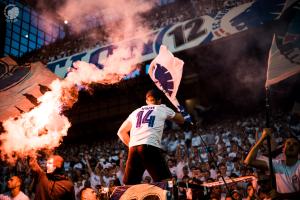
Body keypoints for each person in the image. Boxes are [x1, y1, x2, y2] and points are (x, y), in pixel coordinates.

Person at [117, 89, 185, 184]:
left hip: (134, 148)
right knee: (167, 182)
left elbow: (121, 132)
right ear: (160, 100)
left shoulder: (136, 112)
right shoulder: (162, 108)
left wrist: (131, 145)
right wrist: (181, 109)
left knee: (129, 185)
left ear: (146, 101)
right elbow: (182, 120)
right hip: (149, 146)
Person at [244, 128, 300, 199]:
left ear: (299, 150)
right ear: (283, 148)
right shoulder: (277, 164)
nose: (291, 145)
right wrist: (262, 138)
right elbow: (248, 161)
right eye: (288, 143)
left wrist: (280, 195)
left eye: (295, 144)